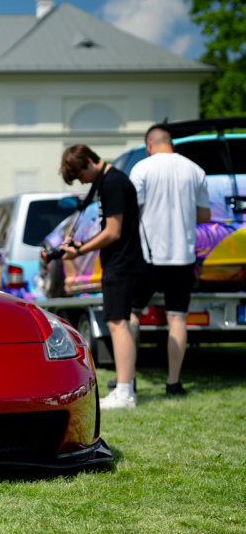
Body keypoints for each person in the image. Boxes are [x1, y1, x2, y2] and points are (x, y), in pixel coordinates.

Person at [59, 144, 144, 410]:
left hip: (121, 262)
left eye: (79, 175)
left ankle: (124, 392)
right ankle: (124, 387)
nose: (82, 181)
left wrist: (79, 251)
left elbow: (113, 232)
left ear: (88, 162)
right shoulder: (107, 181)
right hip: (121, 261)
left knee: (118, 323)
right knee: (123, 322)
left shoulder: (113, 183)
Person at [129, 124, 211, 397]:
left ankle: (127, 378)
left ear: (149, 144)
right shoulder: (195, 170)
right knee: (178, 318)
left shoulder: (142, 168)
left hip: (149, 255)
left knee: (131, 314)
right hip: (183, 256)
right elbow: (204, 217)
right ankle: (173, 382)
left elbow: (132, 212)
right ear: (170, 142)